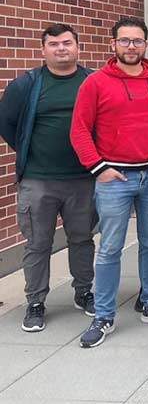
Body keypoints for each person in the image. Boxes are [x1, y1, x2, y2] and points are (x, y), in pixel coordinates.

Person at [70, 17, 148, 347]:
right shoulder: (96, 83)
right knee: (110, 248)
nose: (130, 46)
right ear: (113, 44)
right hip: (114, 178)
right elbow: (78, 130)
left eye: (137, 41)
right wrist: (98, 168)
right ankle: (104, 315)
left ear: (146, 45)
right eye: (124, 41)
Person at [0, 23, 96, 333]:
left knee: (81, 239)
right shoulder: (27, 84)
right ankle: (36, 302)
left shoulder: (92, 81)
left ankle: (83, 293)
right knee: (38, 243)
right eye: (53, 44)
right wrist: (31, 151)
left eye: (67, 43)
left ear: (77, 47)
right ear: (43, 50)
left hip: (83, 178)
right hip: (38, 179)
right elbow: (8, 123)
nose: (61, 49)